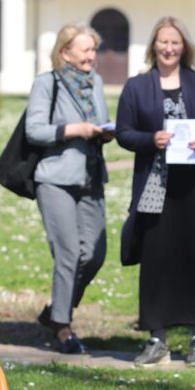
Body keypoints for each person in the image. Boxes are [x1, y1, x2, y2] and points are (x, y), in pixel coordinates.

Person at [116, 16, 195, 366]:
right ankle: (157, 337)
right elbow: (123, 132)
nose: (168, 49)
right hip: (156, 185)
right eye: (163, 42)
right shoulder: (137, 86)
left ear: (185, 47)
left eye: (175, 43)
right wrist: (149, 139)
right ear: (153, 45)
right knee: (157, 260)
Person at [27, 23, 113, 355]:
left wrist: (104, 132)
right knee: (68, 253)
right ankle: (63, 328)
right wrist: (75, 129)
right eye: (86, 49)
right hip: (55, 179)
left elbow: (101, 120)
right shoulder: (47, 83)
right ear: (66, 52)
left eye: (94, 49)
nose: (93, 55)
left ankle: (53, 312)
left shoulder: (97, 83)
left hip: (91, 177)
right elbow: (35, 130)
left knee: (94, 253)